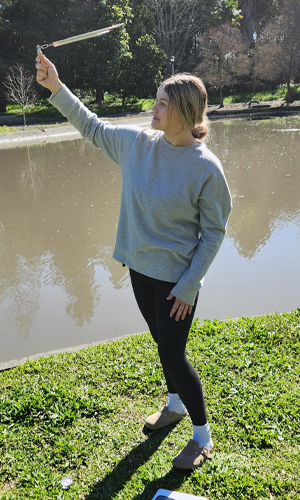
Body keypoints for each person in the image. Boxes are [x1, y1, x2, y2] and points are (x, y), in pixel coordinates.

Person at [36, 54, 232, 470]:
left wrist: (189, 285)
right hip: (140, 269)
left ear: (185, 112)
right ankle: (174, 404)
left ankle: (202, 437)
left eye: (162, 103)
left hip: (179, 281)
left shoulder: (206, 169)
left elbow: (214, 233)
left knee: (174, 355)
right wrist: (56, 87)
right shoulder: (138, 144)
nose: (153, 108)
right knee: (162, 345)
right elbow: (91, 125)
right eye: (156, 100)